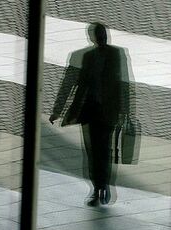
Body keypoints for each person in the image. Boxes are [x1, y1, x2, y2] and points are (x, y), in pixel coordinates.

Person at [49, 22, 131, 206]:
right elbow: (123, 83)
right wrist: (57, 109)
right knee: (99, 151)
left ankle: (99, 187)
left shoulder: (95, 56)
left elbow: (69, 84)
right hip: (98, 111)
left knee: (98, 151)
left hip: (101, 111)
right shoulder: (108, 55)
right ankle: (100, 187)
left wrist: (58, 110)